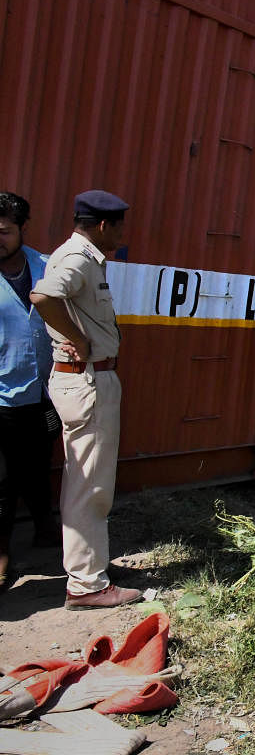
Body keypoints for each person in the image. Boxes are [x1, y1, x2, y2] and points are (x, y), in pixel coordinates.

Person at [29, 190, 139, 609]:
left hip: (89, 380)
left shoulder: (84, 256)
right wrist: (77, 338)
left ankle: (93, 566)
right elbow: (43, 297)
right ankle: (87, 584)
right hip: (88, 381)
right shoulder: (78, 257)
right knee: (89, 483)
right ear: (104, 225)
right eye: (120, 226)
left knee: (90, 479)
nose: (123, 233)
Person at [0, 193, 58, 589]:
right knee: (3, 480)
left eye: (4, 231)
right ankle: (2, 557)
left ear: (22, 229)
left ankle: (44, 527)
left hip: (47, 395)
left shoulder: (46, 267)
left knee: (39, 467)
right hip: (1, 397)